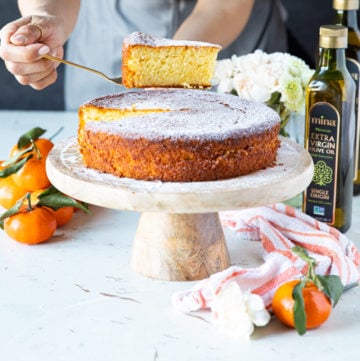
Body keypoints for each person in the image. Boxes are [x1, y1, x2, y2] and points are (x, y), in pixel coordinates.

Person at [0, 0, 288, 110]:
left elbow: (224, 7)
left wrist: (169, 64)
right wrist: (46, 17)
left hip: (231, 49)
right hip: (106, 34)